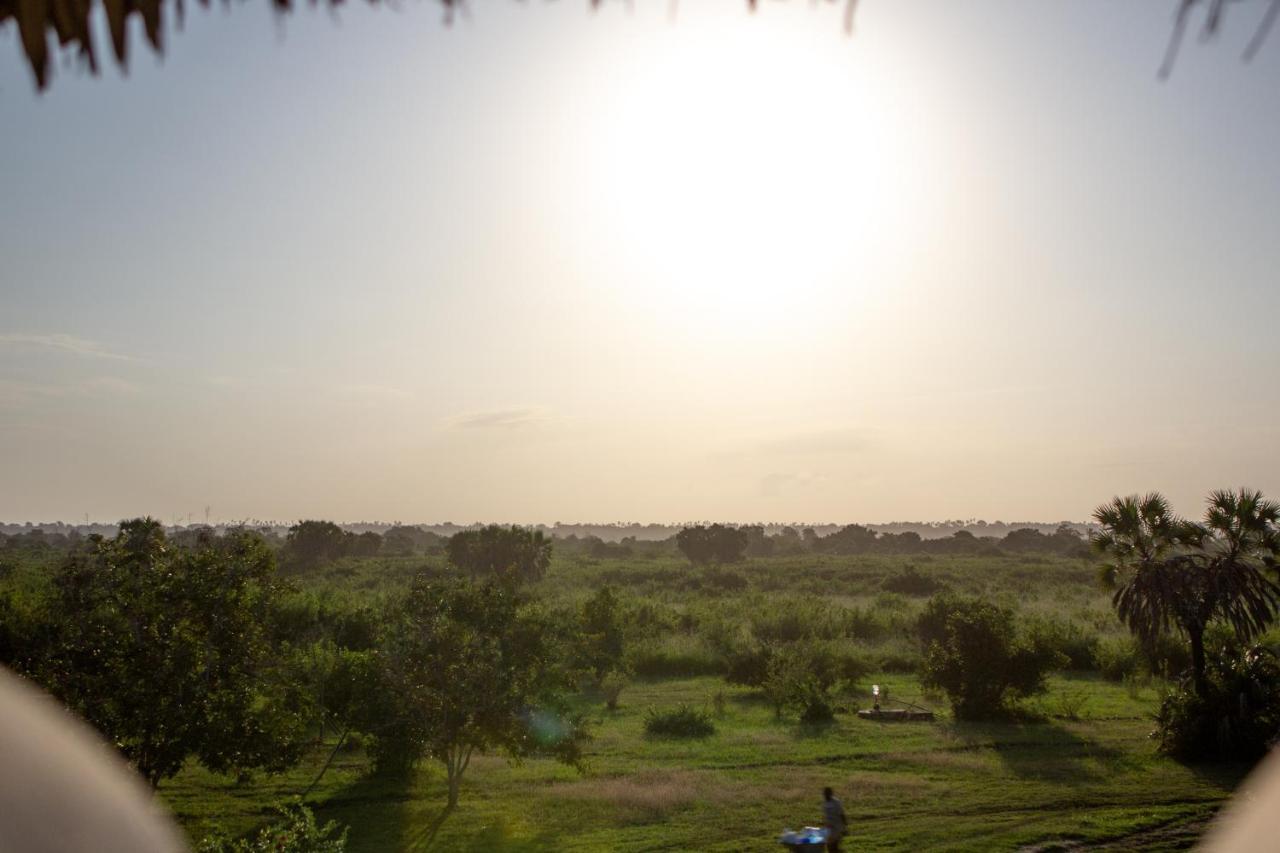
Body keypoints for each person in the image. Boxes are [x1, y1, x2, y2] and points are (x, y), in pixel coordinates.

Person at [822, 786, 847, 852]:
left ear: (831, 794)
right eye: (825, 794)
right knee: (830, 847)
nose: (825, 795)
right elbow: (826, 815)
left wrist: (844, 827)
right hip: (829, 828)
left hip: (837, 828)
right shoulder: (825, 803)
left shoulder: (836, 802)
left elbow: (842, 814)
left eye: (827, 793)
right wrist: (825, 825)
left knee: (833, 847)